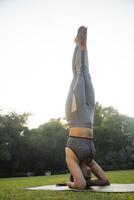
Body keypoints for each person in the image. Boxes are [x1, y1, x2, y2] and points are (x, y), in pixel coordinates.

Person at [65, 26, 110, 190]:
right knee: (87, 73)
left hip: (75, 115)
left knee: (78, 74)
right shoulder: (89, 160)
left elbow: (80, 185)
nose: (90, 173)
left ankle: (79, 43)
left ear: (76, 173)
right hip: (89, 116)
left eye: (88, 175)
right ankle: (84, 44)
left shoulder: (71, 158)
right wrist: (91, 182)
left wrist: (70, 184)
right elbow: (105, 181)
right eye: (90, 175)